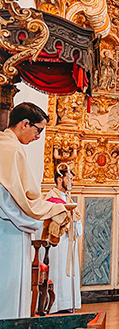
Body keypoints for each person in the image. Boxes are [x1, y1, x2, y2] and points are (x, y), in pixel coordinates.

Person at [0, 102, 69, 319]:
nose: (38, 136)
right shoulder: (9, 150)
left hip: (10, 228)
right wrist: (41, 218)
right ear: (24, 124)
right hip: (8, 232)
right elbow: (9, 201)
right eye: (38, 130)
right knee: (8, 290)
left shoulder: (8, 145)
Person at [44, 167, 82, 313]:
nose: (72, 182)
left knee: (69, 273)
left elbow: (76, 217)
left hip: (69, 241)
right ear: (60, 179)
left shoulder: (68, 198)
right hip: (57, 242)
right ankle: (54, 305)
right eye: (69, 179)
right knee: (58, 270)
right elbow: (53, 218)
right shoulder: (50, 198)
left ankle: (68, 303)